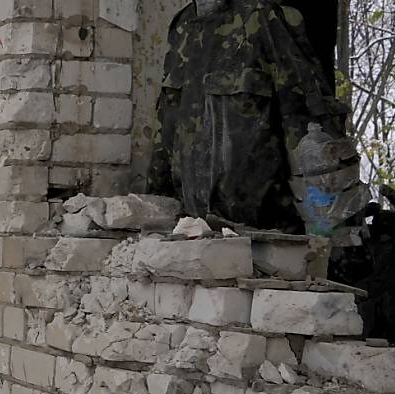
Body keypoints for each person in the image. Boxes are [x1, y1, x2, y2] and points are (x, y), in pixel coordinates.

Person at [147, 0, 365, 234]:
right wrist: (151, 218)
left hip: (266, 241)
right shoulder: (183, 25)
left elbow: (308, 128)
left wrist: (335, 240)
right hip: (196, 238)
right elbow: (166, 131)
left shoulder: (266, 17)